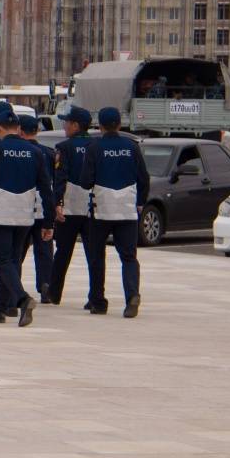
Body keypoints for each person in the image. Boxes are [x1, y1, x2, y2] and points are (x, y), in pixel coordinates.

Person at [0, 110, 54, 326]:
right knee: (13, 260)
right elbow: (46, 189)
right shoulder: (35, 152)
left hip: (0, 212)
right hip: (25, 214)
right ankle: (1, 309)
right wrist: (48, 221)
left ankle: (22, 299)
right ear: (19, 129)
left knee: (1, 260)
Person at [79, 107, 150, 318]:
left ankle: (98, 301)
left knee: (96, 256)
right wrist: (140, 202)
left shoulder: (94, 148)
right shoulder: (132, 147)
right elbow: (144, 178)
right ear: (119, 124)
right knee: (128, 257)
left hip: (101, 209)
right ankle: (132, 296)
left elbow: (85, 181)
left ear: (99, 126)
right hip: (127, 210)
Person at [48, 107, 95, 306]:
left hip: (70, 207)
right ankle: (95, 297)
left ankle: (54, 293)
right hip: (93, 207)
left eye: (66, 122)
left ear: (75, 125)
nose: (64, 125)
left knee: (63, 252)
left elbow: (60, 178)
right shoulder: (96, 145)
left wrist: (56, 203)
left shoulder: (64, 147)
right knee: (94, 254)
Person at [17, 114, 55, 303]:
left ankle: (12, 284)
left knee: (17, 249)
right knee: (44, 250)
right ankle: (46, 285)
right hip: (43, 207)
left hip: (23, 207)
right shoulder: (49, 153)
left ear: (19, 131)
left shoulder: (20, 151)